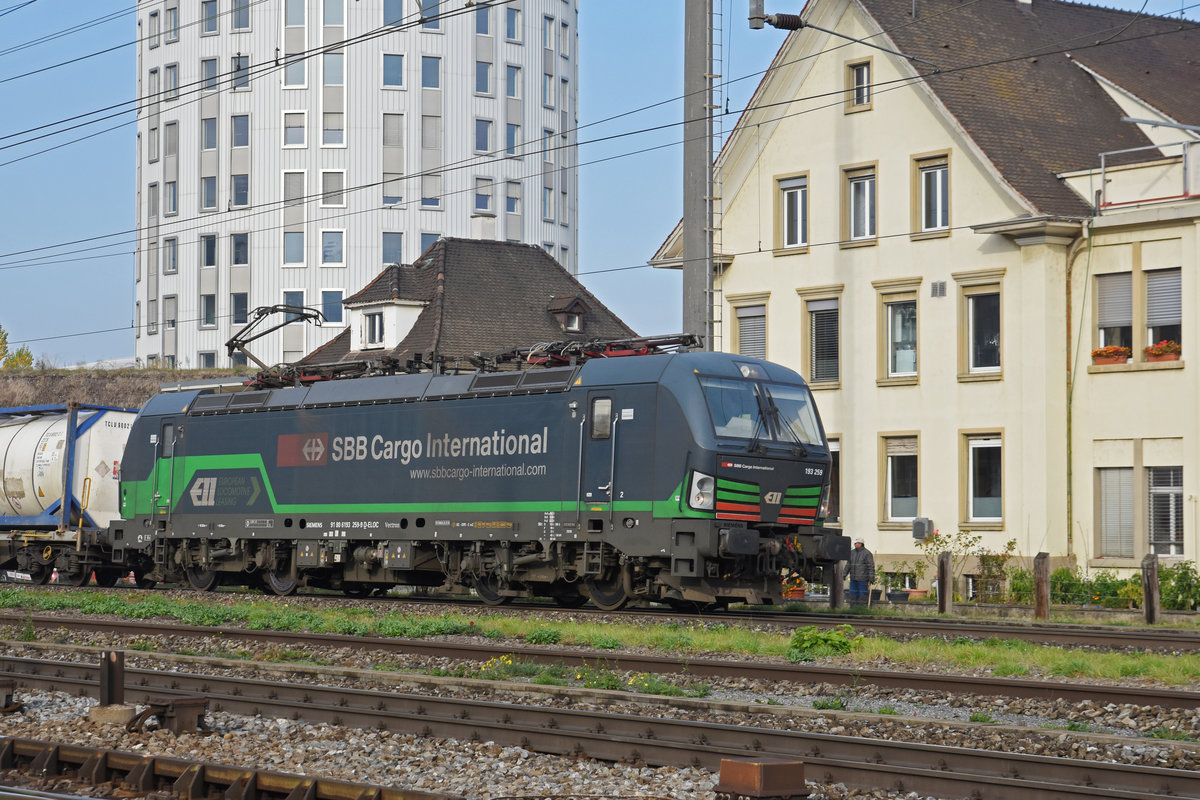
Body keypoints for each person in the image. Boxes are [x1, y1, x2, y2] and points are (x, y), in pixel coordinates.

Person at [843, 537, 875, 606]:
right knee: (852, 594)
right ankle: (853, 609)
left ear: (861, 544)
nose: (855, 544)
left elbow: (871, 566)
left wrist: (871, 577)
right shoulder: (852, 553)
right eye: (855, 543)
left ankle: (861, 609)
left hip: (863, 579)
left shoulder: (867, 553)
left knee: (862, 594)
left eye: (857, 543)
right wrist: (844, 574)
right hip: (853, 579)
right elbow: (848, 565)